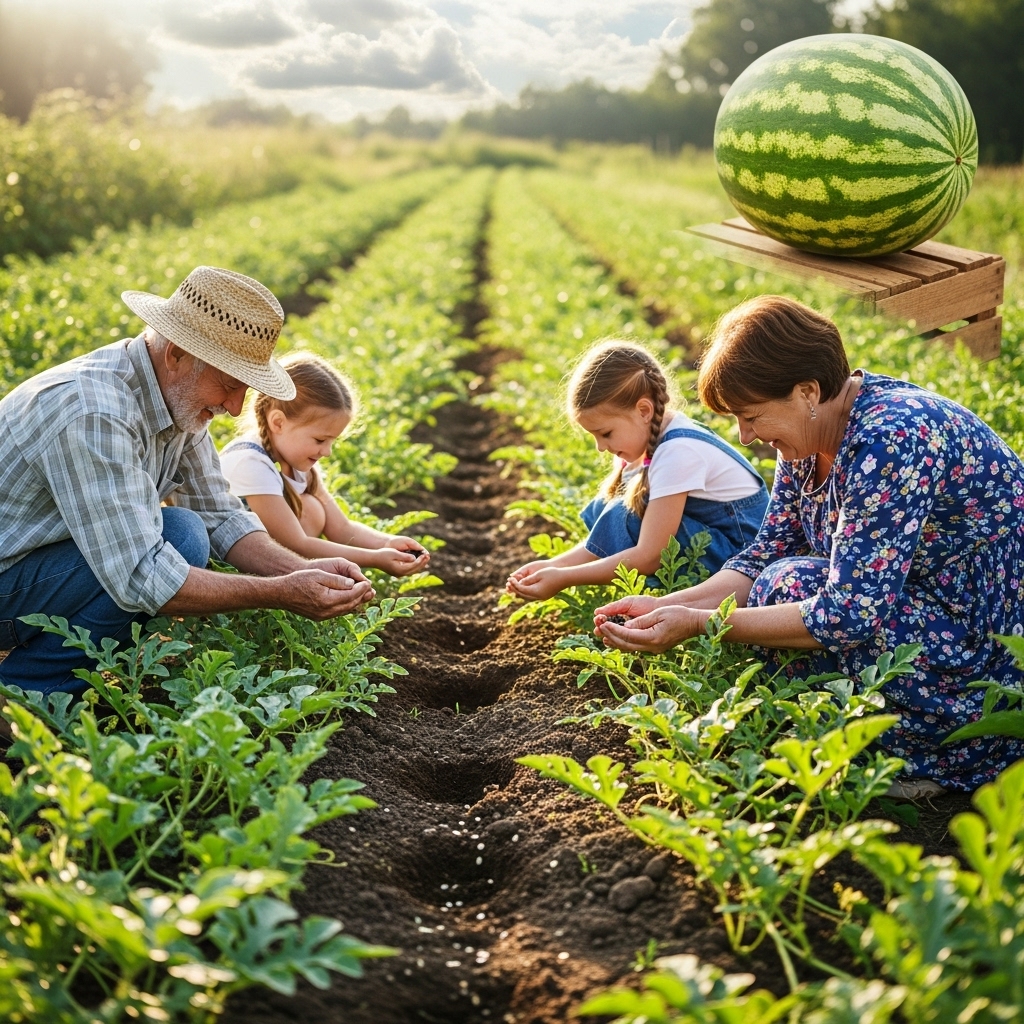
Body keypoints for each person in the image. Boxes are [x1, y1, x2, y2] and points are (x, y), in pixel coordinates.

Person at [595, 295, 1024, 795]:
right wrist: (668, 605)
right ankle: (871, 738)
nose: (746, 436)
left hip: (985, 648)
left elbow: (850, 614)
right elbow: (766, 551)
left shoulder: (890, 440)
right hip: (922, 610)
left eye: (751, 416)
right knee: (777, 581)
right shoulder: (809, 433)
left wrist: (699, 624)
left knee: (788, 586)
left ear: (806, 391)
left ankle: (934, 756)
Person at [0, 265, 375, 697]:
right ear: (176, 354)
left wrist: (303, 569)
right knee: (175, 544)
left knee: (186, 531)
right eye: (230, 384)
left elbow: (220, 516)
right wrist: (280, 592)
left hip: (33, 569)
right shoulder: (93, 412)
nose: (235, 408)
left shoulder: (177, 399)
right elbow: (142, 575)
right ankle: (24, 694)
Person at [506, 340, 769, 602]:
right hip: (726, 549)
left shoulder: (678, 451)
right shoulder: (656, 442)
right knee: (610, 507)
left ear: (644, 410)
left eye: (606, 433)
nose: (600, 447)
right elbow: (611, 536)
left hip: (746, 560)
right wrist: (554, 566)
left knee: (628, 516)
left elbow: (650, 555)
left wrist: (565, 578)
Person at [219, 353, 430, 576]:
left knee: (311, 508)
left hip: (272, 555)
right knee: (309, 510)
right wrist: (375, 559)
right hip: (225, 562)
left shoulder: (297, 460)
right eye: (320, 440)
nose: (327, 452)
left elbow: (342, 528)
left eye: (332, 441)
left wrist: (387, 543)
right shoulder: (250, 463)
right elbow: (296, 544)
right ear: (278, 423)